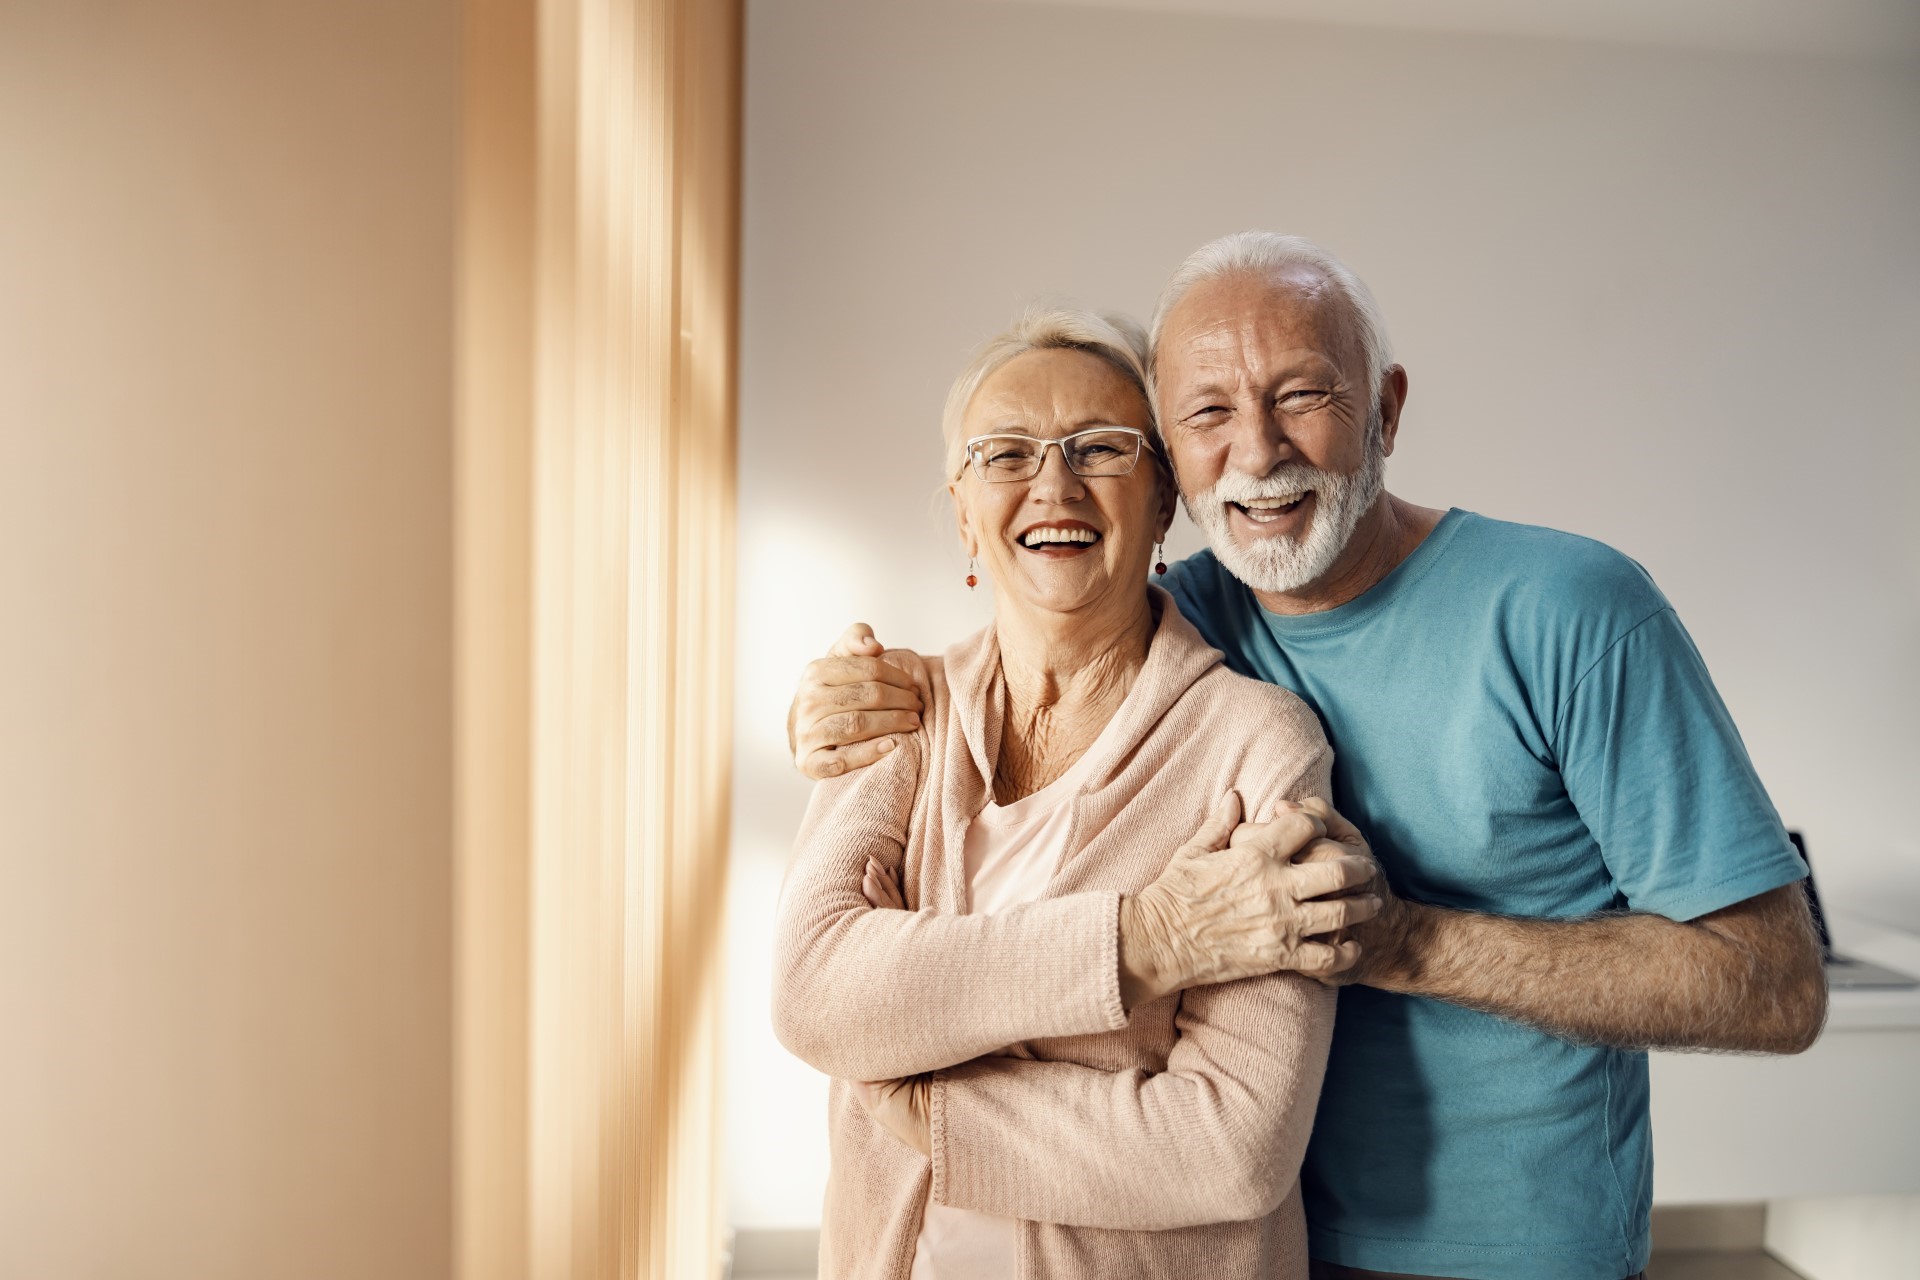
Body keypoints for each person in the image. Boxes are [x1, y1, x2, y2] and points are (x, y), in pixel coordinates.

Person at [787, 233, 1828, 1280]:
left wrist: (1402, 940)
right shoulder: (1186, 613)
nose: (1257, 450)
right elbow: (1049, 612)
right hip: (1254, 1244)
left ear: (1385, 409)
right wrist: (841, 703)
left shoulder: (1570, 610)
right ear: (1176, 470)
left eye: (1303, 396)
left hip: (1508, 1247)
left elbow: (1775, 983)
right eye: (1207, 413)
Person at [771, 306, 1384, 1280]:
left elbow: (1231, 1145)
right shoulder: (894, 706)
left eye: (1099, 447)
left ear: (1163, 499)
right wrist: (1146, 941)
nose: (1052, 483)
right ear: (963, 507)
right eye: (1005, 452)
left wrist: (930, 1107)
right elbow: (814, 995)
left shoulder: (1257, 743)